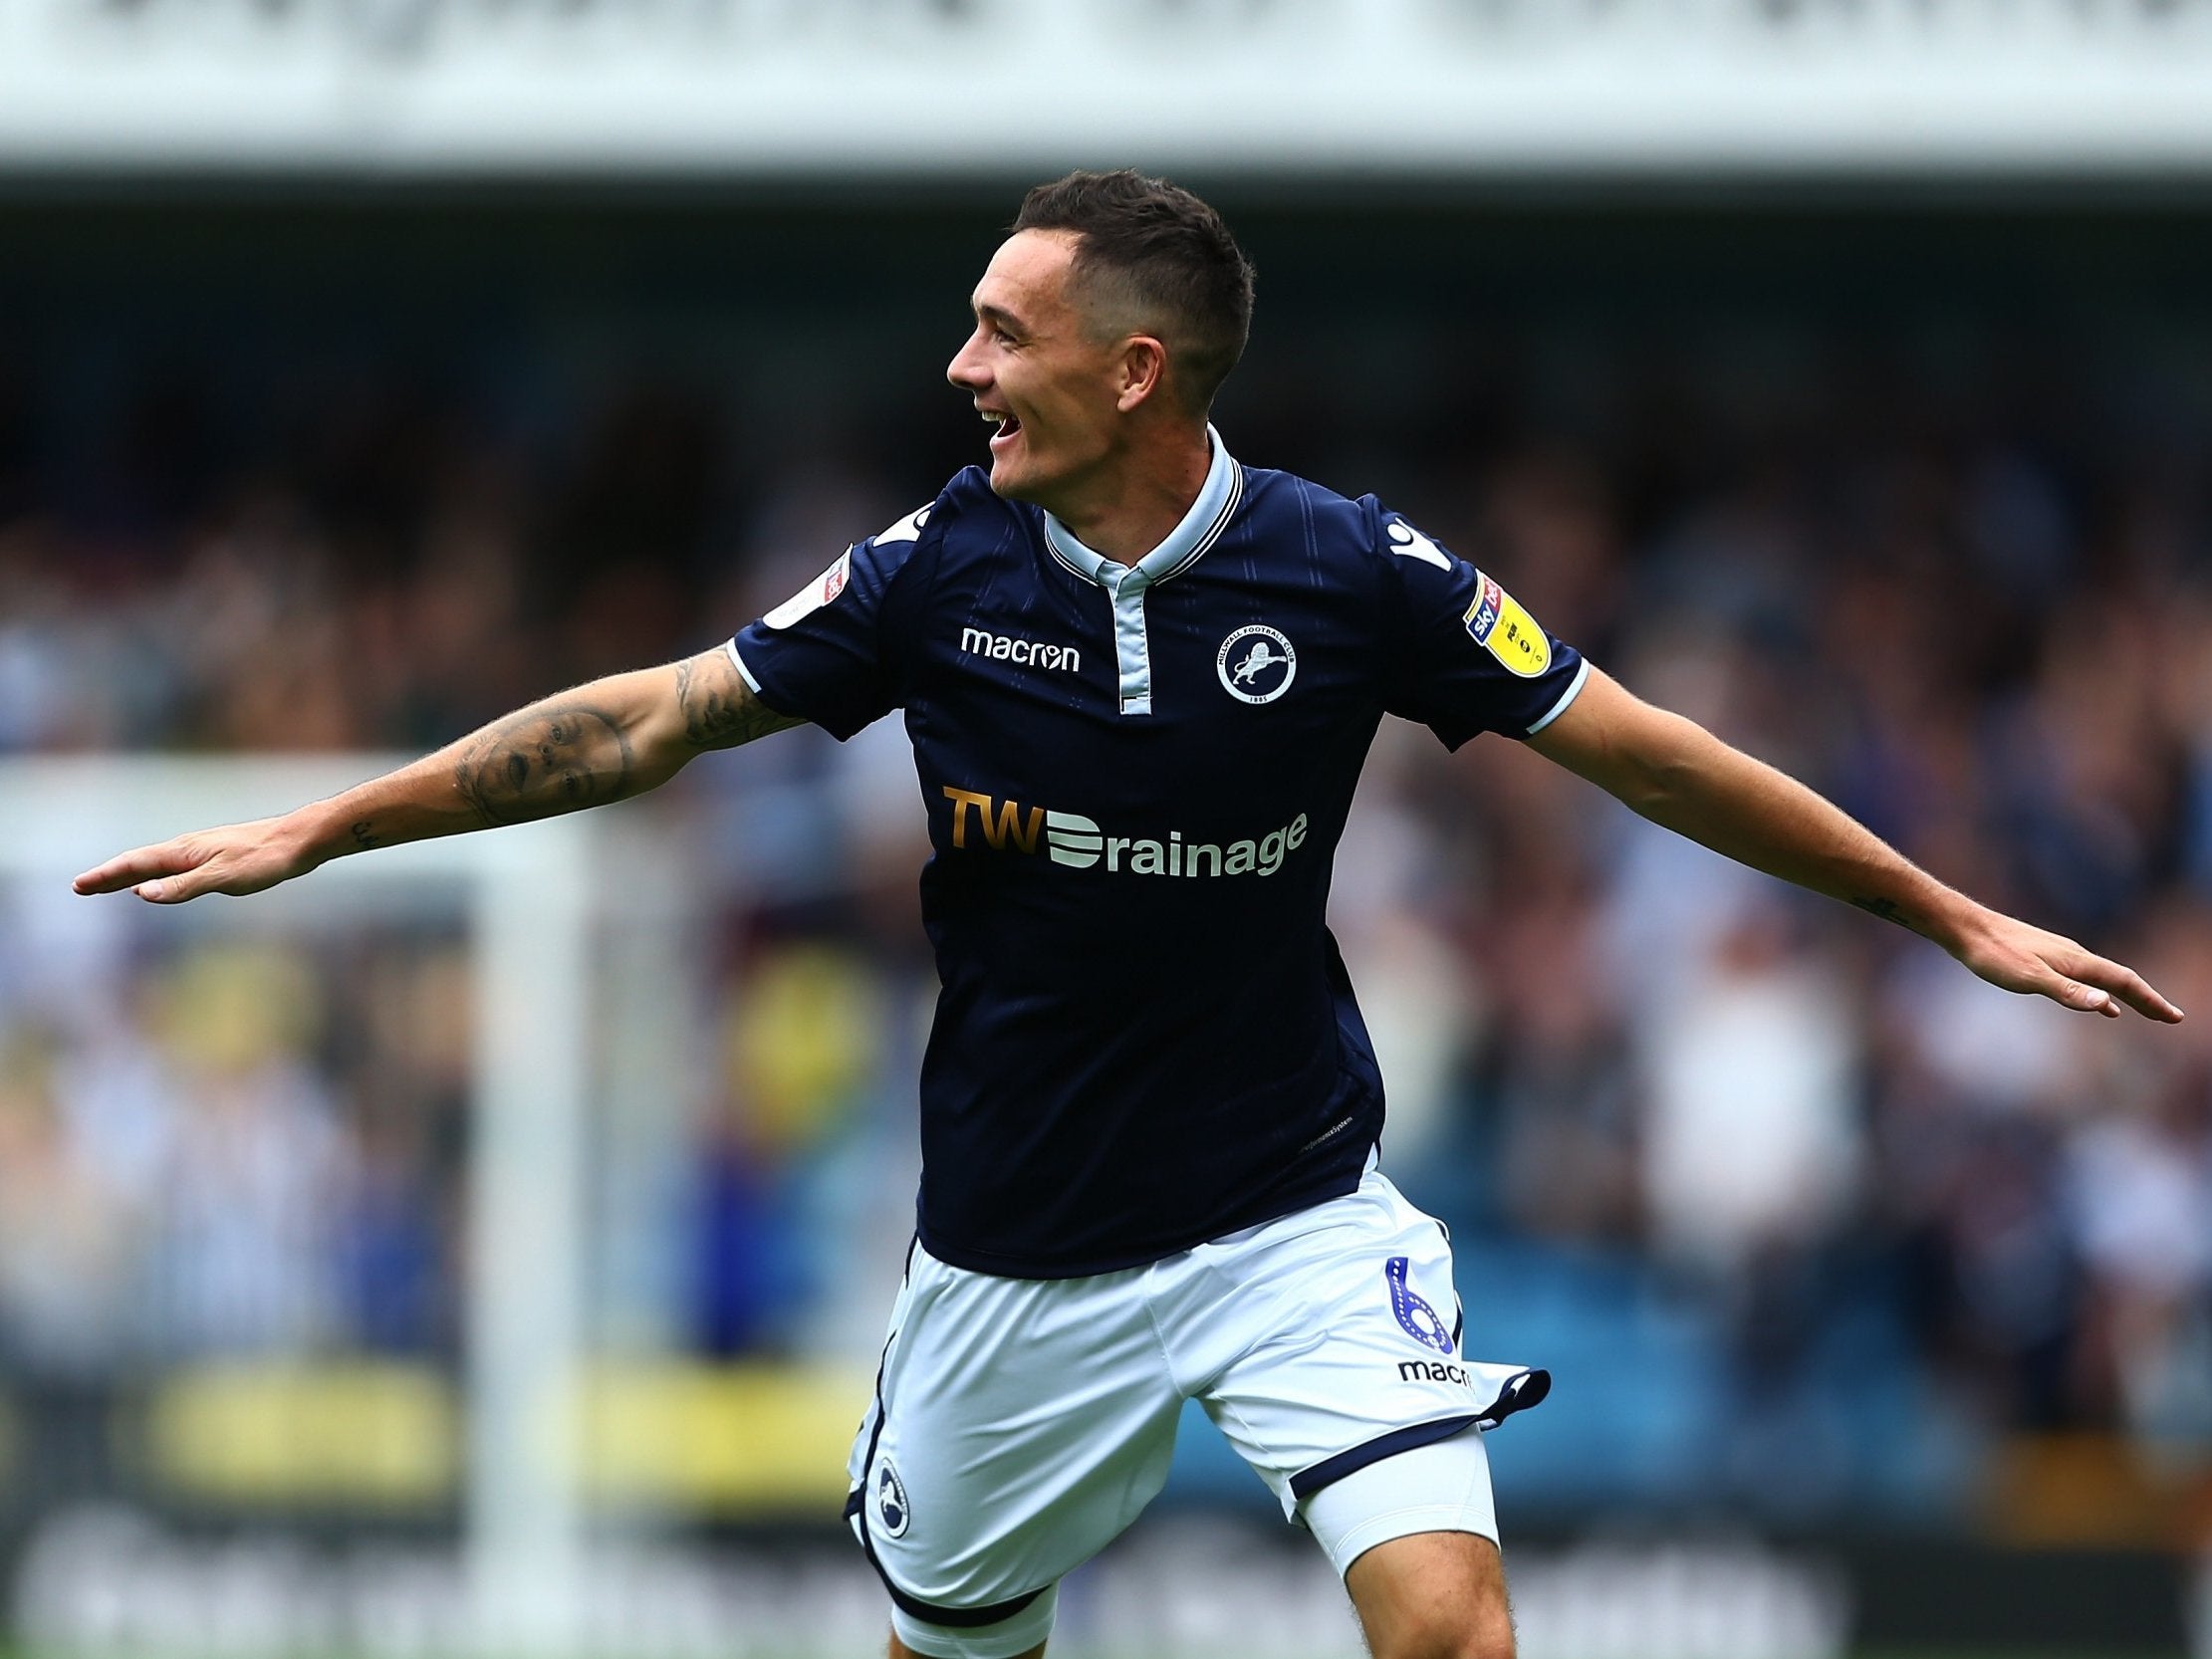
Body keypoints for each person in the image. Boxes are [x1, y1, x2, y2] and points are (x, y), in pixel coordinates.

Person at [76, 170, 2183, 1659]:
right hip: (1009, 1254)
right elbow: (654, 717)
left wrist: (1945, 914)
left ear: (1135, 369)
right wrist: (330, 826)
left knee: (1449, 1623)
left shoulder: (1355, 573)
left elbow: (1634, 743)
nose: (958, 362)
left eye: (1002, 330)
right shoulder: (931, 574)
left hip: (1288, 1217)